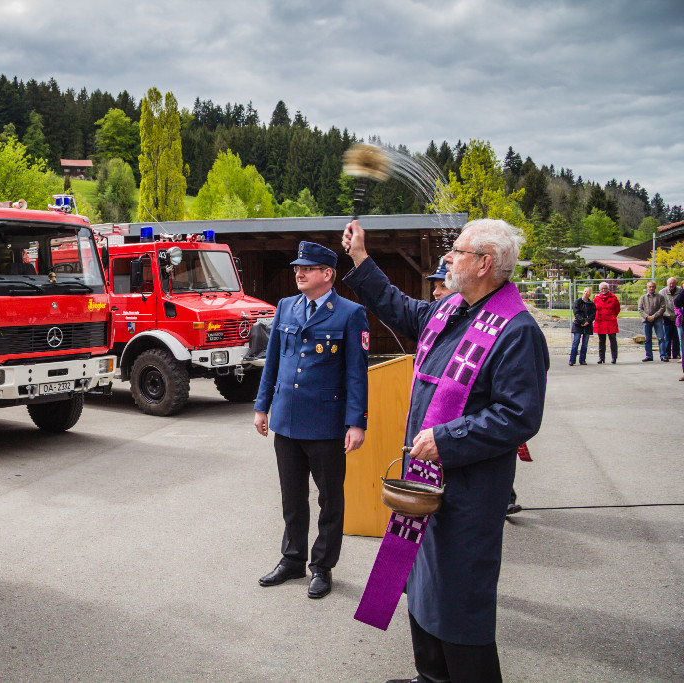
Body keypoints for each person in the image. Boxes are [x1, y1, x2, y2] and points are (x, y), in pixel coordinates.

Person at [342, 218, 548, 683]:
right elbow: (397, 306)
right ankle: (431, 676)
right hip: (426, 481)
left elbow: (519, 416)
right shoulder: (451, 309)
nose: (448, 257)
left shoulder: (517, 331)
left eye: (457, 250)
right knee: (420, 584)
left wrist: (448, 438)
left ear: (485, 263)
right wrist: (360, 260)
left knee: (458, 599)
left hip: (468, 494)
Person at [253, 241, 369, 600]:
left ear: (327, 274)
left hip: (326, 423)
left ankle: (322, 566)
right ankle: (292, 559)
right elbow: (272, 361)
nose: (299, 273)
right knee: (292, 497)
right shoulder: (286, 307)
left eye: (307, 268)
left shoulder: (350, 313)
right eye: (296, 268)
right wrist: (262, 406)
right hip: (286, 420)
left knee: (330, 500)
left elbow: (356, 374)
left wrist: (356, 422)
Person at [638, 280, 665, 362]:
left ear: (655, 287)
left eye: (653, 286)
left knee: (661, 338)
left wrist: (654, 316)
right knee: (647, 339)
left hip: (658, 320)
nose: (651, 288)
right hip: (646, 320)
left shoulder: (660, 297)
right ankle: (649, 356)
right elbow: (640, 309)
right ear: (647, 288)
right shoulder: (643, 298)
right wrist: (647, 317)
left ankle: (663, 356)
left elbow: (663, 308)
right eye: (650, 287)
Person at [593, 282, 620, 364]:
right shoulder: (596, 299)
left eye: (605, 288)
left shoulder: (614, 298)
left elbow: (617, 309)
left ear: (608, 289)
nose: (603, 290)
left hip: (611, 322)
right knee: (601, 341)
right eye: (602, 289)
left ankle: (614, 358)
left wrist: (612, 316)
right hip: (600, 322)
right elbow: (594, 309)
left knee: (613, 340)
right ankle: (601, 358)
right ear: (600, 290)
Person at [569, 287, 596, 366]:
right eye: (585, 291)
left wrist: (588, 321)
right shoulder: (578, 302)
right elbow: (576, 313)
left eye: (588, 292)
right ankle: (572, 360)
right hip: (578, 325)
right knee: (576, 342)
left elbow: (593, 314)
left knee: (585, 343)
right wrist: (582, 321)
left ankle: (582, 360)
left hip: (587, 326)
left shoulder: (591, 304)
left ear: (590, 294)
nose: (586, 293)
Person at [659, 277, 680, 360]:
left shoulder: (680, 291)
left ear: (676, 283)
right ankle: (667, 353)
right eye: (670, 283)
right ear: (667, 284)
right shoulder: (662, 292)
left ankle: (676, 354)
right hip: (667, 316)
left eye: (673, 283)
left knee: (676, 337)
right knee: (667, 337)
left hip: (677, 317)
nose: (671, 285)